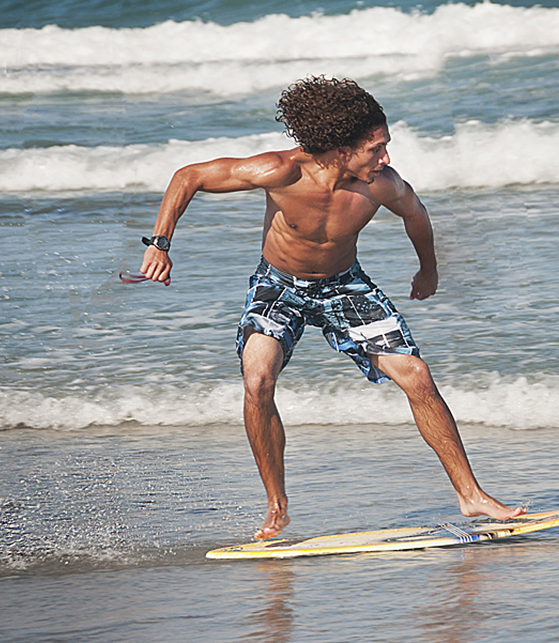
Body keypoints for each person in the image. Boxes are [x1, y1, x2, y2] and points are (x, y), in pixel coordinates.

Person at [138, 75, 524, 539]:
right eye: (375, 148)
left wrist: (429, 270)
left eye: (386, 146)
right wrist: (160, 244)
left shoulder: (381, 185)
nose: (385, 158)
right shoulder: (280, 171)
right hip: (279, 285)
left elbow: (417, 215)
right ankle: (276, 506)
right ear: (340, 148)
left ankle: (471, 496)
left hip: (345, 285)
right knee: (257, 376)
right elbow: (190, 176)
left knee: (417, 376)